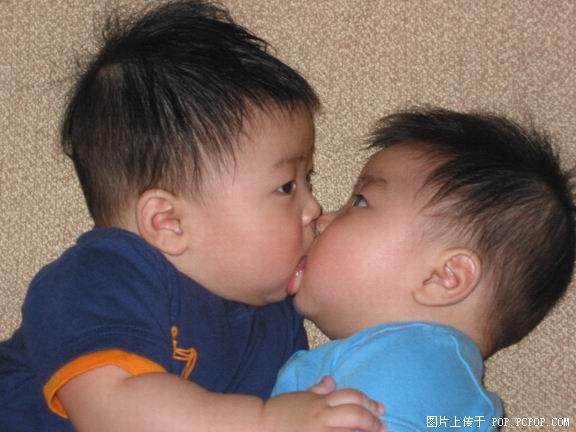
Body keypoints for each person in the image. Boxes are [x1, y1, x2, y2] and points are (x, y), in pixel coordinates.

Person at [0, 1, 386, 431]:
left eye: (307, 180)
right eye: (286, 187)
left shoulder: (276, 316)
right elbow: (114, 409)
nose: (313, 208)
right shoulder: (102, 277)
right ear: (168, 222)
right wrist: (264, 422)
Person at [273, 107, 575, 431]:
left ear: (443, 277)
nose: (321, 218)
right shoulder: (425, 374)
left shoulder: (410, 365)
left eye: (360, 201)